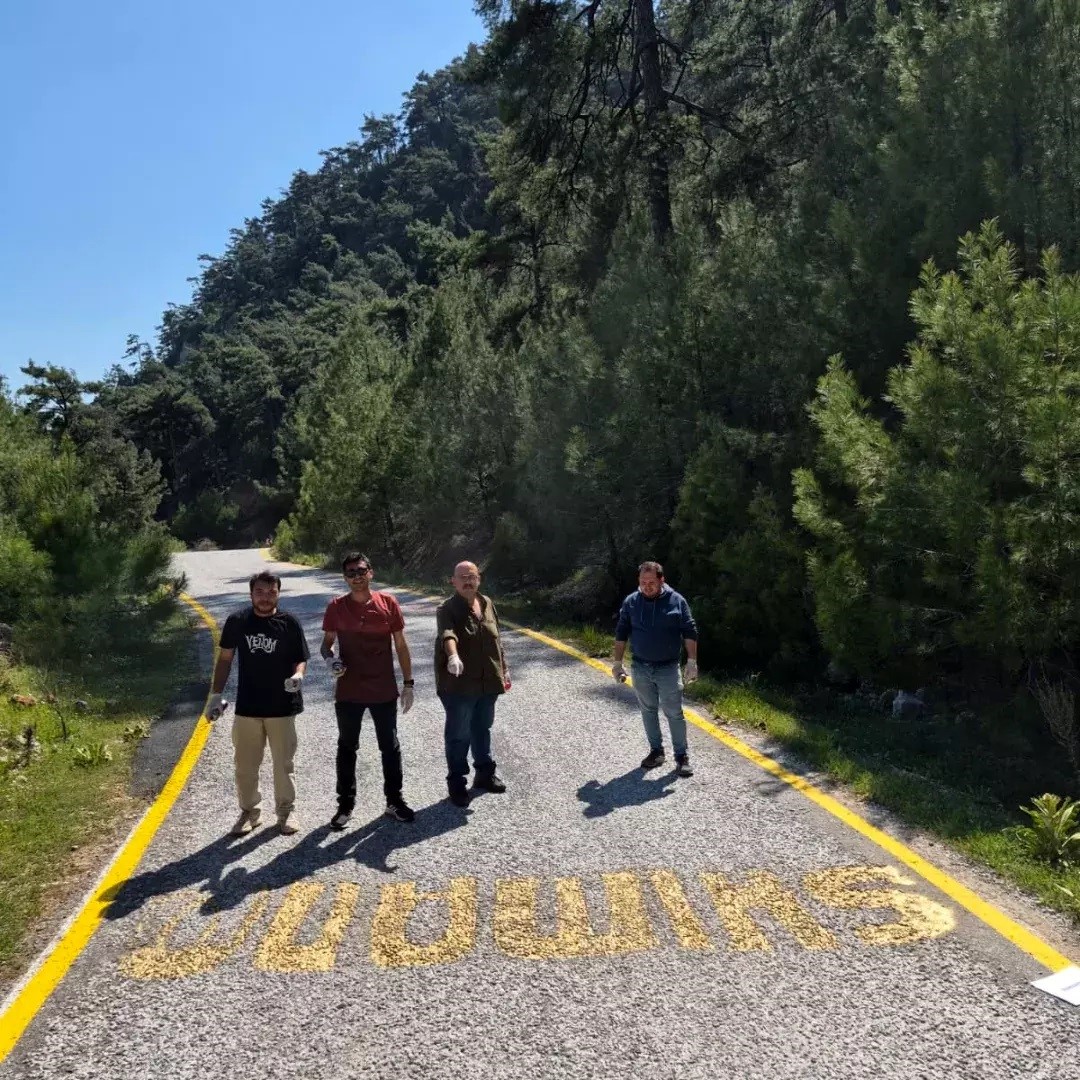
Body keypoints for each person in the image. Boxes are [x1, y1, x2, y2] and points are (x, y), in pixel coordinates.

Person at [207, 571, 310, 836]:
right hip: (248, 706)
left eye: (271, 592)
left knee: (283, 764)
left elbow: (300, 658)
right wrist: (216, 695)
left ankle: (286, 812)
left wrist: (298, 675)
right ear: (251, 594)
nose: (265, 598)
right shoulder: (237, 621)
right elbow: (225, 659)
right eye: (260, 592)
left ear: (278, 593)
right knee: (245, 765)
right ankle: (249, 811)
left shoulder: (289, 623)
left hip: (282, 706)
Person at [321, 551, 416, 829]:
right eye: (350, 573)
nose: (357, 577)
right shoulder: (336, 607)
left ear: (371, 572)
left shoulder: (388, 603)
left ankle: (394, 801)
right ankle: (345, 806)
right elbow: (326, 645)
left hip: (382, 688)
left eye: (361, 571)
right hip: (349, 689)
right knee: (347, 747)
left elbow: (401, 645)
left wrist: (408, 684)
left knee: (390, 746)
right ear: (344, 578)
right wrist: (330, 660)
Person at [611, 560, 699, 777]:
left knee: (674, 712)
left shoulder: (677, 601)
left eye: (651, 582)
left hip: (668, 668)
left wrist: (692, 661)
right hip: (640, 666)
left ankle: (682, 757)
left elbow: (689, 630)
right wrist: (617, 663)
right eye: (643, 582)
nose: (647, 586)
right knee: (648, 710)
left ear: (662, 580)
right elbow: (621, 632)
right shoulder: (631, 602)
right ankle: (656, 752)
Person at [435, 561, 509, 808]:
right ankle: (457, 783)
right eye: (462, 577)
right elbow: (448, 634)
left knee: (482, 727)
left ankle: (484, 774)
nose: (468, 581)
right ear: (453, 581)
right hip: (459, 684)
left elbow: (497, 639)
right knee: (458, 735)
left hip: (488, 681)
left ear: (479, 579)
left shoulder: (487, 603)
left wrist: (504, 669)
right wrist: (453, 656)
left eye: (472, 576)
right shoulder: (446, 609)